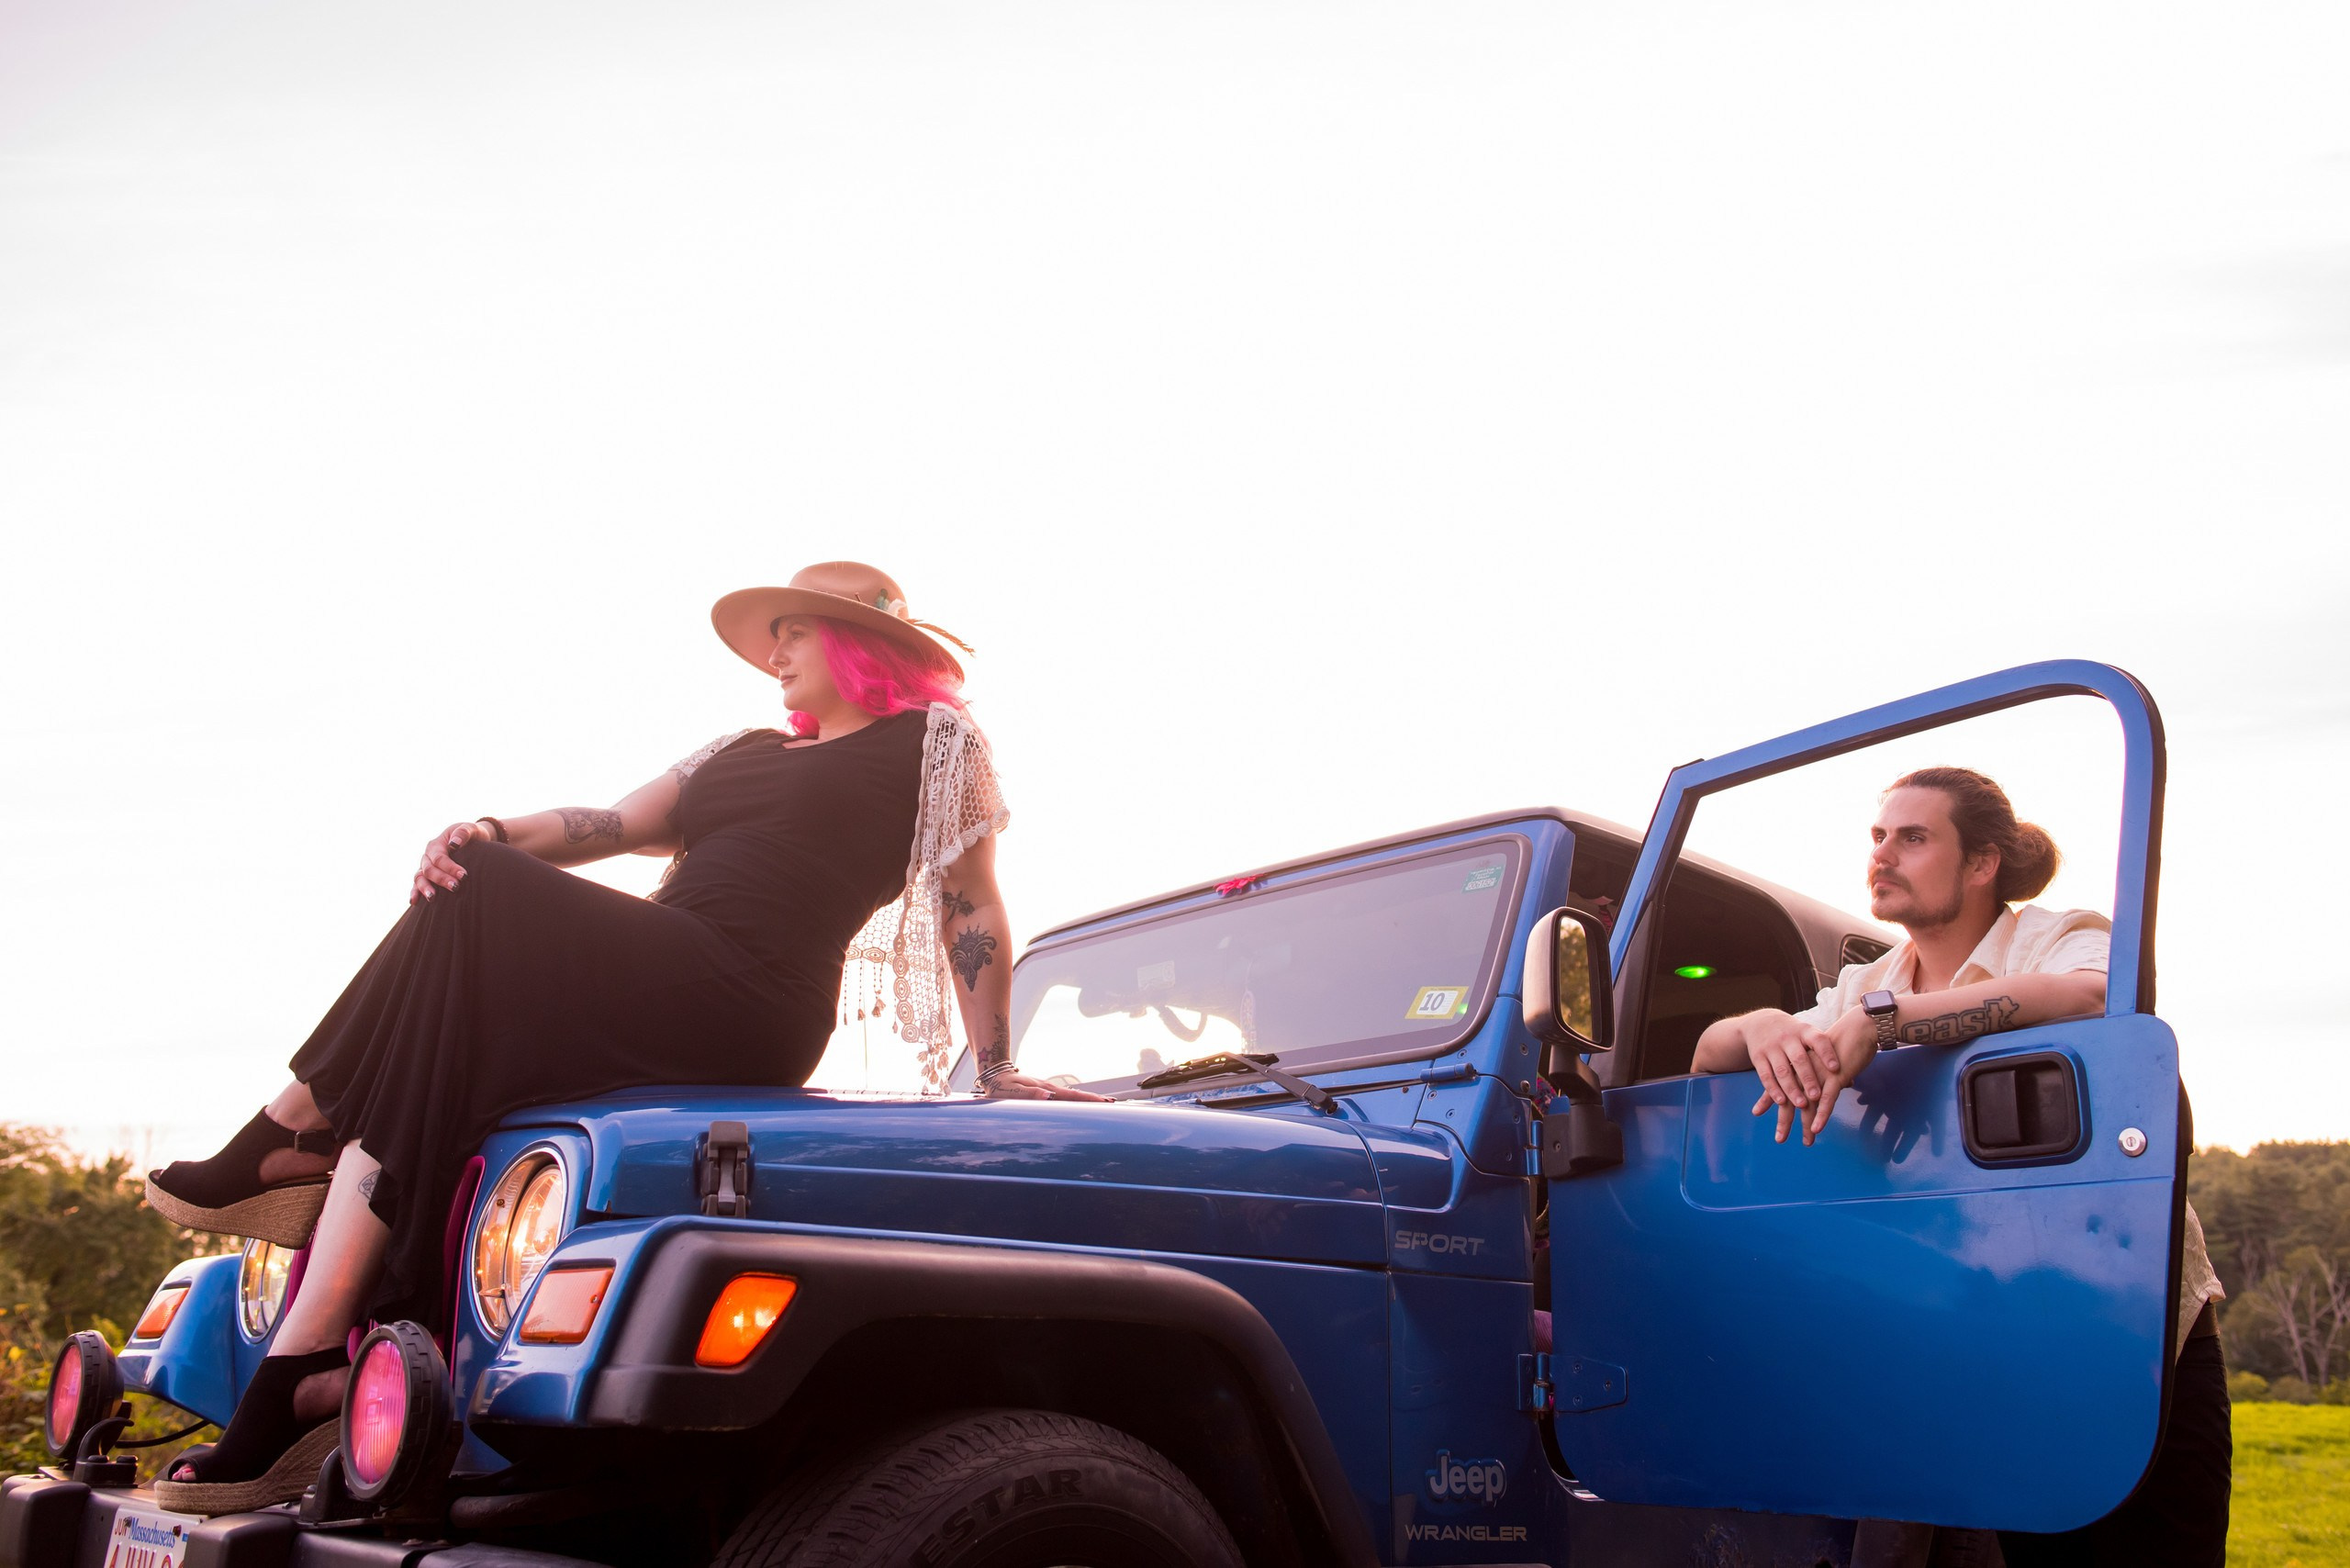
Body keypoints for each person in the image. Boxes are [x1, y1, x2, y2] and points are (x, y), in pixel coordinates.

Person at [141, 561, 1099, 1514]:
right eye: (772, 638)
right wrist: (484, 824)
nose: (774, 654)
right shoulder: (740, 749)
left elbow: (968, 899)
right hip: (652, 971)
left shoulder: (932, 742)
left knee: (481, 890)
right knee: (436, 1026)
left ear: (861, 643)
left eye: (794, 633)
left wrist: (1000, 1059)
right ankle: (302, 1371)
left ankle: (285, 1132)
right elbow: (608, 823)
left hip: (748, 997)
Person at [1692, 767, 2229, 1567]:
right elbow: (1708, 1055)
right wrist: (1765, 1022)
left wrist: (1888, 1026)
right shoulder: (1864, 983)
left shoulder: (2056, 934)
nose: (1883, 855)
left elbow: (2089, 1000)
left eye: (1913, 838)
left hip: (2117, 1322)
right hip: (1964, 1324)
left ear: (1981, 863)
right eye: (1878, 837)